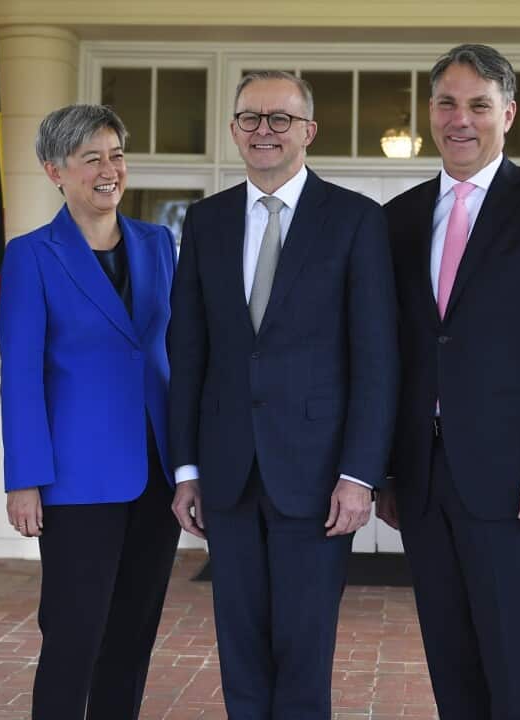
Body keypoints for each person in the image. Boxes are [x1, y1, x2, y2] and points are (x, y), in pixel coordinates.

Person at [378, 44, 520, 720]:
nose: (461, 118)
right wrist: (386, 470)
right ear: (430, 113)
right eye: (447, 103)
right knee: (450, 656)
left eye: (478, 104)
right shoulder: (400, 217)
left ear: (508, 113)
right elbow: (391, 351)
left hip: (514, 480)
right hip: (421, 478)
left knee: (514, 659)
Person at [167, 70, 398, 719]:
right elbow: (188, 354)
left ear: (309, 132)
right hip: (227, 474)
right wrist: (186, 470)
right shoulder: (206, 222)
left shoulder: (355, 221)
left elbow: (376, 360)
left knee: (303, 651)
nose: (264, 131)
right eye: (250, 118)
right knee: (239, 650)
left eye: (280, 120)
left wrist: (360, 475)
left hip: (319, 476)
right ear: (235, 128)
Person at [0, 104, 181, 719]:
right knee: (74, 638)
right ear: (55, 170)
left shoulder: (158, 244)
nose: (109, 170)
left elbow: (175, 352)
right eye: (91, 158)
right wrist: (24, 478)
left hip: (155, 471)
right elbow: (20, 375)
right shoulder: (31, 255)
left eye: (116, 155)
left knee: (133, 639)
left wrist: (190, 466)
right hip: (76, 479)